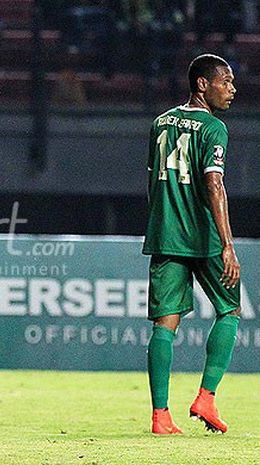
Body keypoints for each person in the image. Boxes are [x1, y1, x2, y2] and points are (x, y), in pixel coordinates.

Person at [143, 54, 240, 435]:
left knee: (165, 324)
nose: (232, 89)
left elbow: (152, 181)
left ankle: (160, 416)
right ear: (203, 84)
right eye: (225, 81)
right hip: (203, 236)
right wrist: (227, 244)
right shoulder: (214, 128)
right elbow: (214, 184)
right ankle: (207, 397)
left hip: (166, 235)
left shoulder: (159, 122)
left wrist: (161, 221)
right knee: (229, 309)